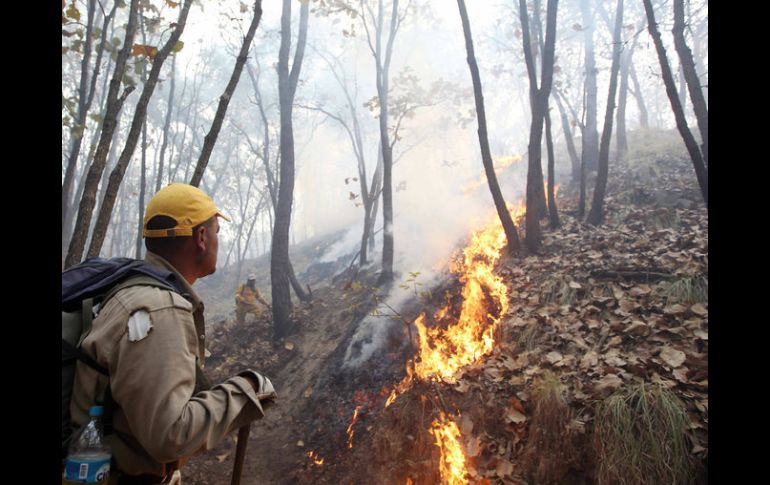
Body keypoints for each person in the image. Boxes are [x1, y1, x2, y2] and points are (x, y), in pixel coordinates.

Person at [69, 183, 277, 484]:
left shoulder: (134, 289)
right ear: (201, 237)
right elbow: (169, 435)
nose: (219, 240)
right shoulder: (160, 309)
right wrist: (244, 393)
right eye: (216, 231)